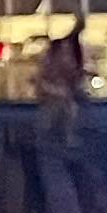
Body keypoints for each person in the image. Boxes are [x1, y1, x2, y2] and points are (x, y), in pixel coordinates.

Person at [37, 16, 89, 146]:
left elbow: (72, 73)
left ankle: (61, 135)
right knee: (64, 108)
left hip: (61, 88)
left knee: (68, 108)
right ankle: (59, 136)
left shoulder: (70, 50)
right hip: (51, 88)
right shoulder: (55, 53)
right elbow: (44, 77)